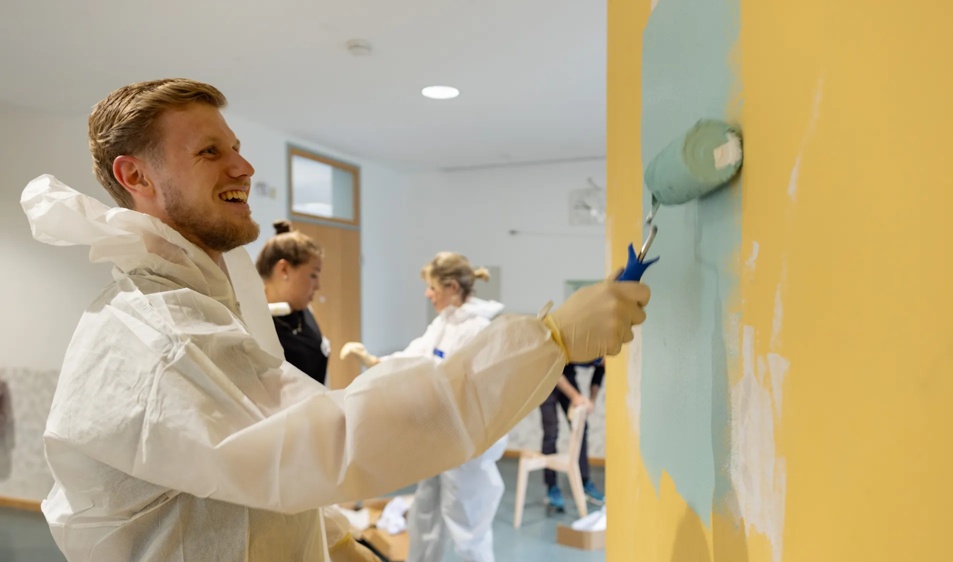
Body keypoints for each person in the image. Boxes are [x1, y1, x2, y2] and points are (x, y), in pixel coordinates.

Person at [19, 77, 649, 562]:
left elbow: (256, 472)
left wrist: (331, 538)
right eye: (211, 151)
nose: (244, 167)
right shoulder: (156, 335)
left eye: (236, 147)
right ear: (137, 176)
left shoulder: (208, 310)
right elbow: (331, 440)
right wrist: (550, 340)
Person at [340, 252, 506, 562]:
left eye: (432, 287)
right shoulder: (445, 323)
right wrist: (374, 361)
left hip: (465, 443)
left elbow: (465, 384)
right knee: (425, 516)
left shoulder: (478, 329)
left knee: (468, 527)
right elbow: (416, 356)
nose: (427, 294)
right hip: (439, 436)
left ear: (452, 287)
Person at [256, 219, 329, 386]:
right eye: (313, 275)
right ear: (284, 269)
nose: (317, 286)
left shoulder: (303, 312)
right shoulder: (253, 323)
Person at [540, 358, 606, 512]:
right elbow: (551, 367)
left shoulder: (604, 358)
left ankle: (584, 481)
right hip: (546, 375)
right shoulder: (586, 346)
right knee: (551, 431)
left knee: (581, 426)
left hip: (567, 373)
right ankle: (552, 487)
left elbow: (598, 375)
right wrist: (575, 396)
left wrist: (591, 401)